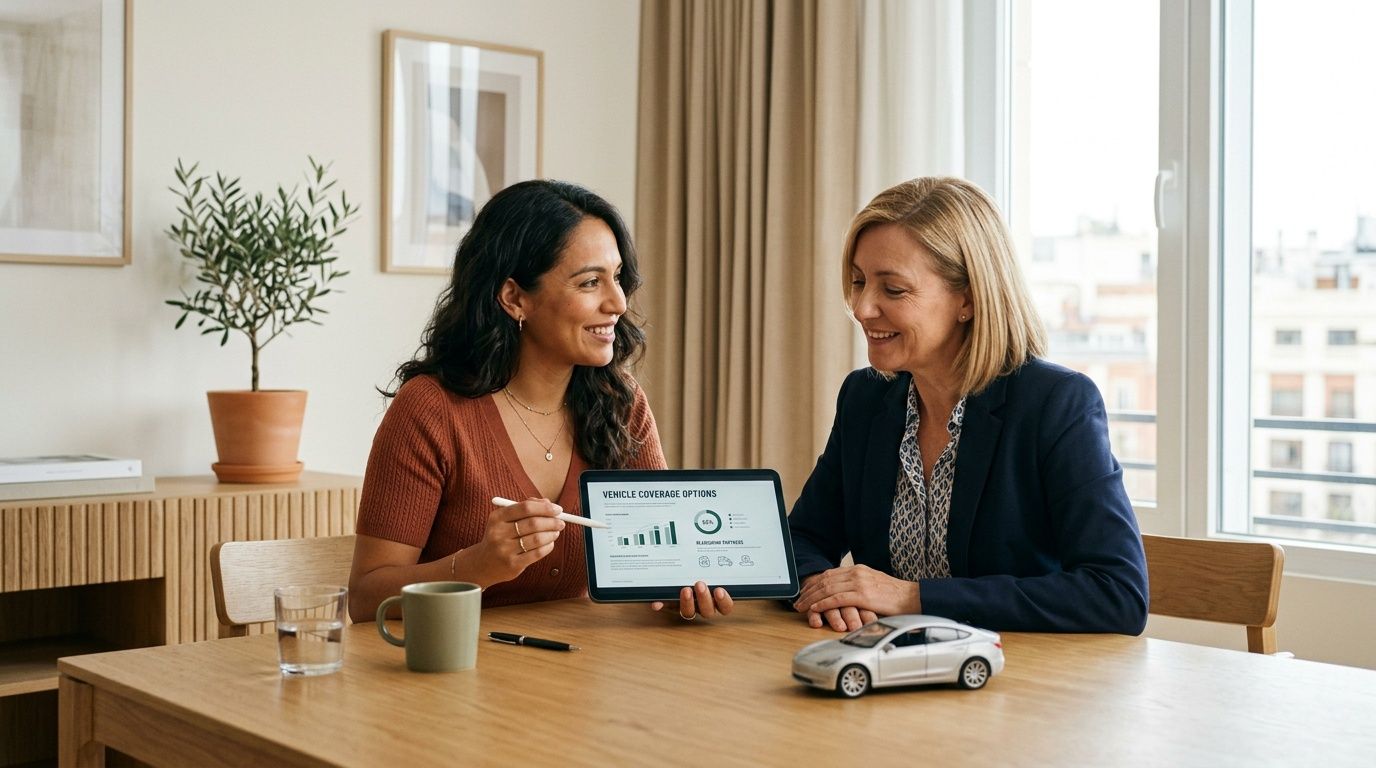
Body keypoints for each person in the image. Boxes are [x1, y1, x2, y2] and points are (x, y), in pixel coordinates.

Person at [349, 180, 731, 622]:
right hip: (451, 675)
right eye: (590, 282)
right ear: (514, 298)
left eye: (618, 278)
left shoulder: (622, 404)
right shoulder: (430, 411)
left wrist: (683, 592)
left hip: (577, 674)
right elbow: (364, 598)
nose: (619, 303)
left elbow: (659, 569)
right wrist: (477, 567)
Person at [787, 176, 1149, 634]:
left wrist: (911, 596)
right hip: (887, 670)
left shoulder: (1056, 404)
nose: (861, 308)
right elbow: (800, 539)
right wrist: (826, 589)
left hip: (1020, 685)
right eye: (858, 282)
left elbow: (1117, 593)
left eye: (893, 290)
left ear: (969, 299)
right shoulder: (865, 398)